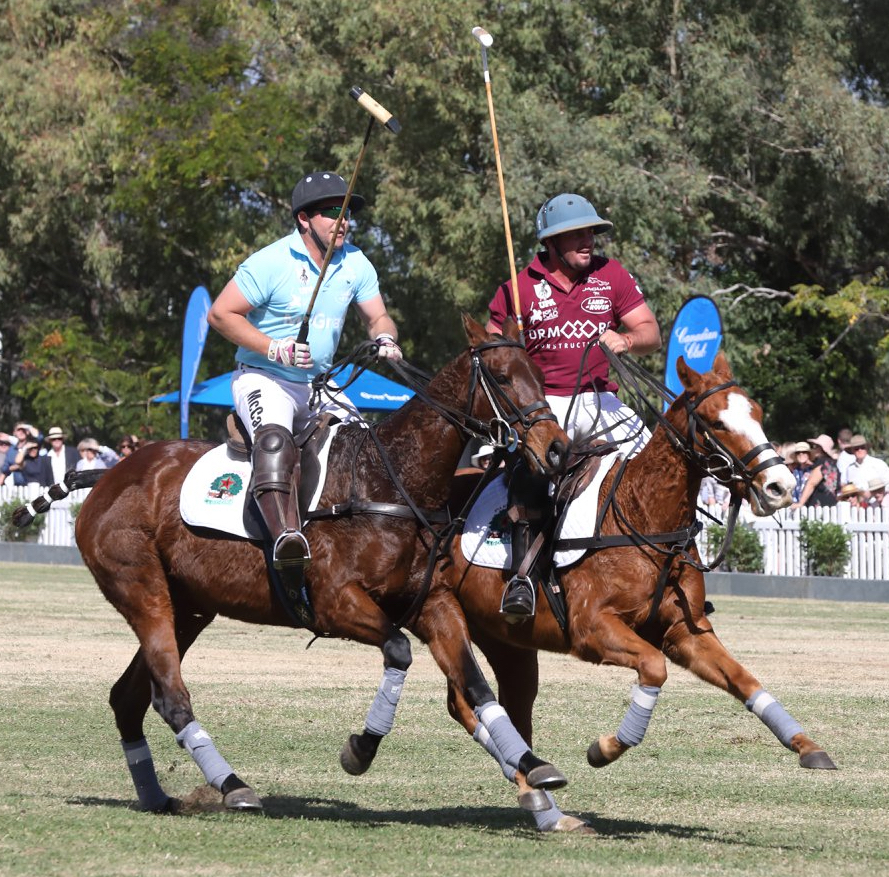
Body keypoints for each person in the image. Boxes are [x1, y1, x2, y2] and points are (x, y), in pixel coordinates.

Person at [208, 171, 401, 573]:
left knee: (365, 447)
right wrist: (273, 347)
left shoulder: (356, 262)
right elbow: (220, 314)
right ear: (304, 219)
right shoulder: (270, 262)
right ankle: (286, 539)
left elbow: (378, 315)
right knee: (276, 443)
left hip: (319, 383)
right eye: (333, 211)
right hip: (264, 377)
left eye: (347, 212)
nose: (343, 220)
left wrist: (385, 338)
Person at [486, 192, 661, 618]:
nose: (588, 241)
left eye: (591, 232)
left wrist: (627, 339)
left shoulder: (611, 275)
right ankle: (523, 578)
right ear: (550, 242)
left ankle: (669, 572)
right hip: (545, 405)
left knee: (659, 465)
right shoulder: (518, 285)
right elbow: (489, 351)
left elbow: (650, 331)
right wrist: (510, 342)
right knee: (532, 475)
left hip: (600, 398)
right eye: (576, 234)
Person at [791, 435, 839, 508]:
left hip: (819, 505)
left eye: (816, 446)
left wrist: (800, 503)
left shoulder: (821, 463)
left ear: (821, 449)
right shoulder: (832, 463)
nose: (814, 448)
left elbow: (811, 483)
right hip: (831, 503)